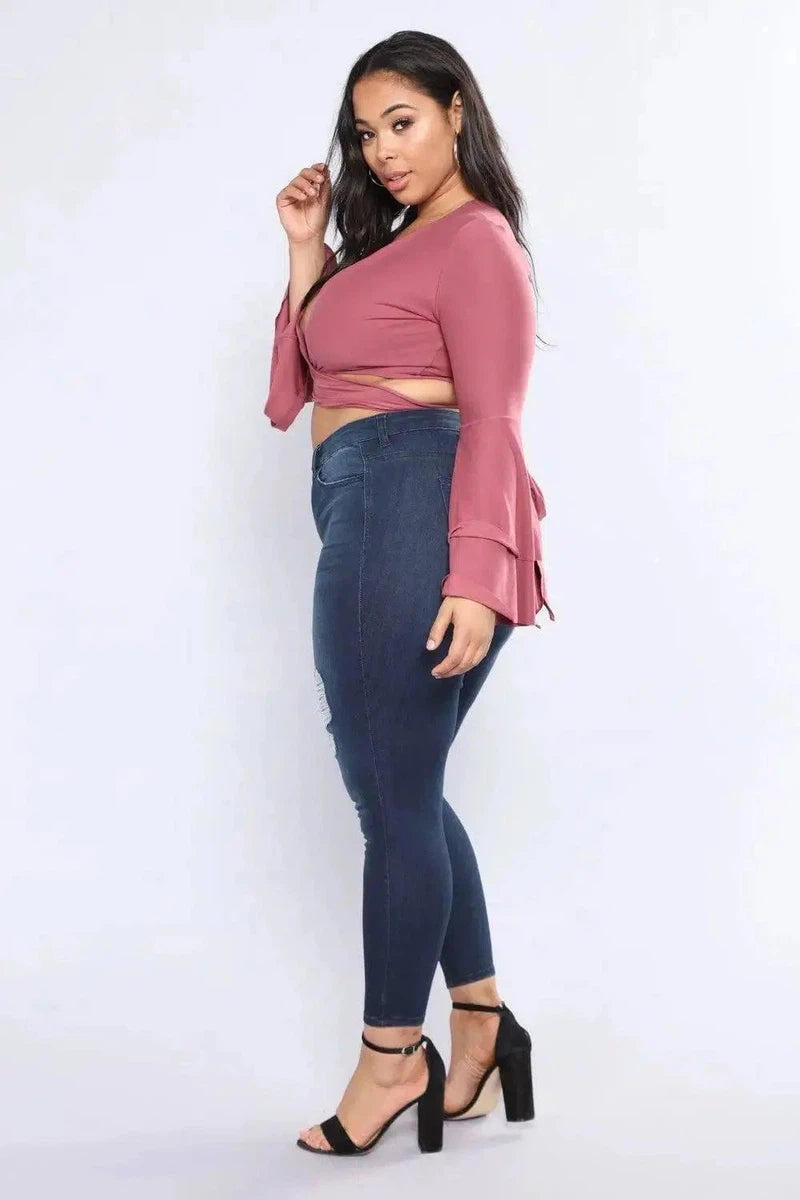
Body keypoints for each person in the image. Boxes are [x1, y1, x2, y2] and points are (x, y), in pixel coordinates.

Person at [265, 30, 554, 1157]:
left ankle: (393, 1056)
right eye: (365, 132)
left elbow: (495, 419)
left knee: (391, 794)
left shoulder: (476, 242)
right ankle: (479, 1019)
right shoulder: (391, 246)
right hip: (362, 503)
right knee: (403, 787)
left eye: (403, 122)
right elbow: (297, 388)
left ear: (454, 113)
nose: (382, 150)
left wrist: (476, 577)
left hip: (413, 503)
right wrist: (307, 251)